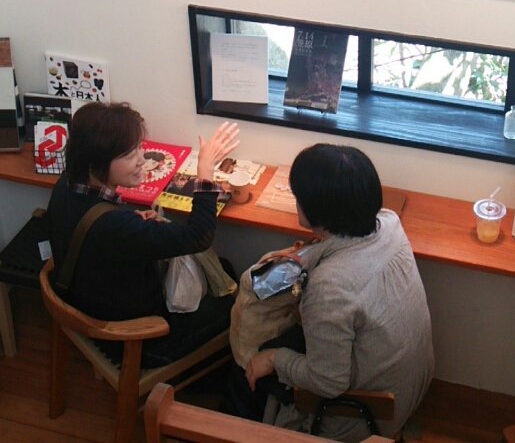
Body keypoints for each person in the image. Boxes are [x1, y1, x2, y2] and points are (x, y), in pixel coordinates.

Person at [229, 143, 434, 442]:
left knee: (244, 372)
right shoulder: (388, 222)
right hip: (411, 384)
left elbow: (329, 382)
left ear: (317, 210)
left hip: (366, 416)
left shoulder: (330, 287)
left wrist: (273, 359)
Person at [46, 101, 240, 367]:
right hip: (138, 339)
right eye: (129, 155)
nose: (142, 159)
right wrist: (205, 172)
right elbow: (199, 236)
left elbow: (100, 236)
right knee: (232, 296)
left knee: (222, 268)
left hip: (85, 297)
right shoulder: (116, 226)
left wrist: (135, 224)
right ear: (95, 162)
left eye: (139, 147)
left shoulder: (66, 184)